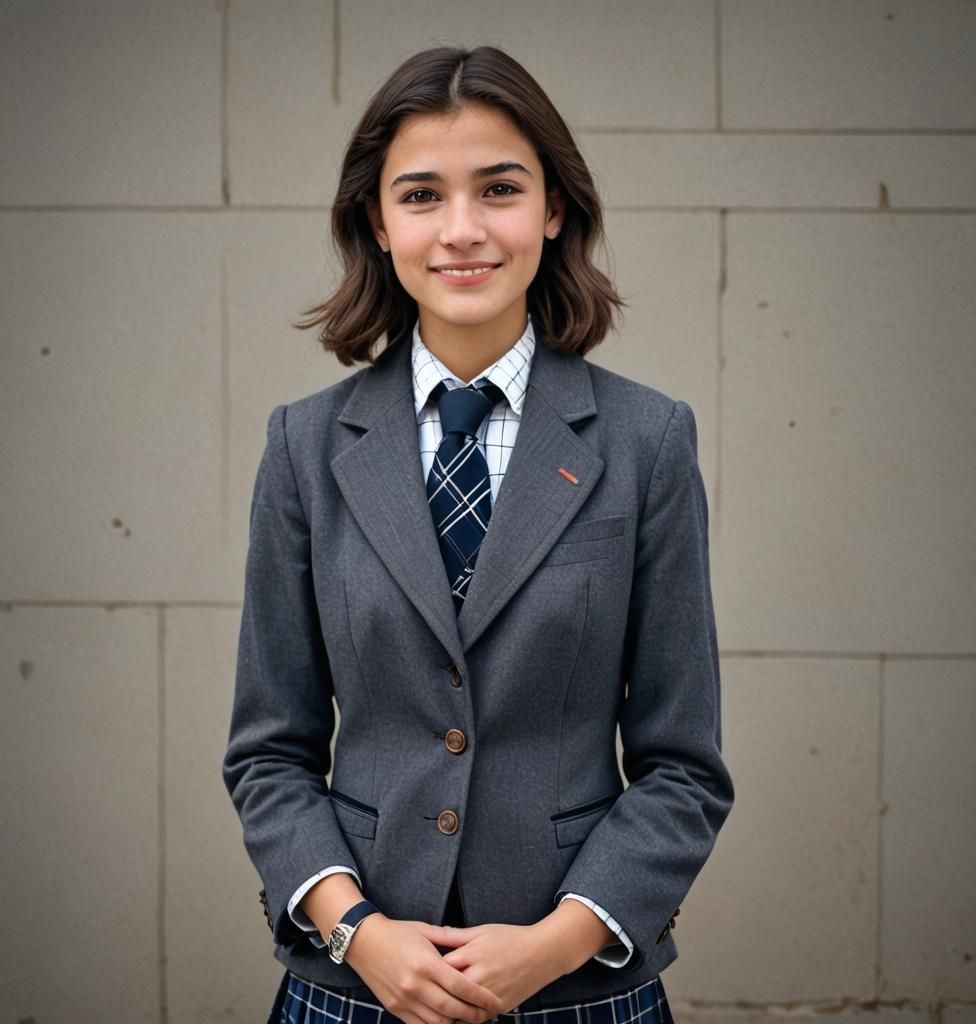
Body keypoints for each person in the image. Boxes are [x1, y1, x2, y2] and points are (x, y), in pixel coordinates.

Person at [223, 45, 733, 1024]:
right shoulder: (306, 445)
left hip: (579, 993)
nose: (461, 229)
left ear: (552, 208)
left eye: (498, 188)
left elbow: (683, 765)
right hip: (355, 989)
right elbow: (269, 753)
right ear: (377, 222)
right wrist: (357, 931)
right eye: (420, 195)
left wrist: (555, 944)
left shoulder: (646, 441)